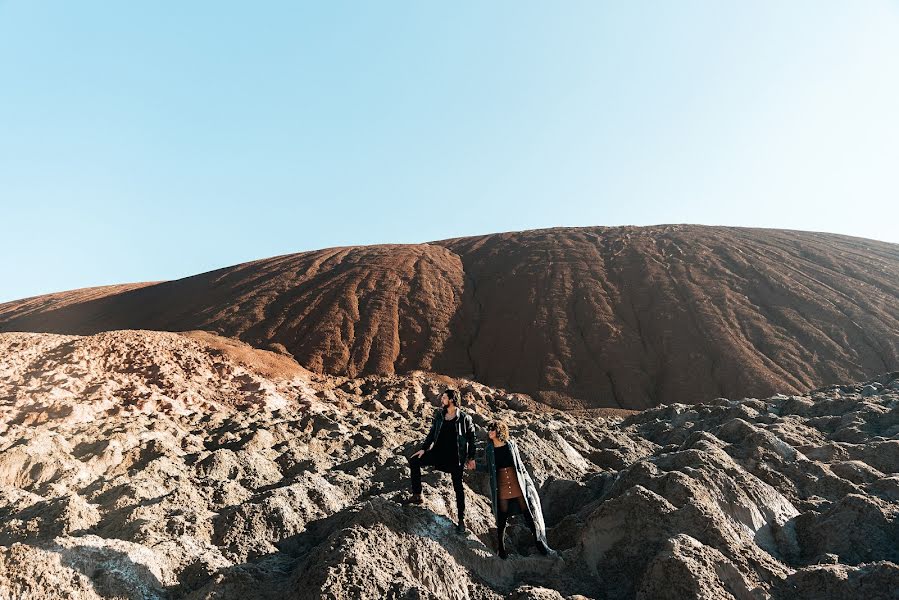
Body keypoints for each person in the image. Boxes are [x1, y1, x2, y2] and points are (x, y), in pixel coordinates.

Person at [475, 419, 553, 559]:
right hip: (502, 484)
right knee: (502, 517)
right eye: (489, 429)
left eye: (492, 429)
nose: (489, 432)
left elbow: (520, 466)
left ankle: (539, 543)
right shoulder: (489, 449)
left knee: (528, 513)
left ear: (499, 431)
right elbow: (488, 469)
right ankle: (501, 549)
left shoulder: (511, 445)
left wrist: (527, 482)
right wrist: (476, 467)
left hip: (516, 482)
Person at [402, 388, 476, 534]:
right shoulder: (440, 416)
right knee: (414, 461)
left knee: (458, 488)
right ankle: (418, 495)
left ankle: (461, 520)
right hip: (438, 454)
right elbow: (431, 433)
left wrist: (471, 458)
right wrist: (424, 449)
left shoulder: (465, 418)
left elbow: (472, 439)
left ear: (452, 400)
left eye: (444, 398)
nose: (441, 400)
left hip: (456, 458)